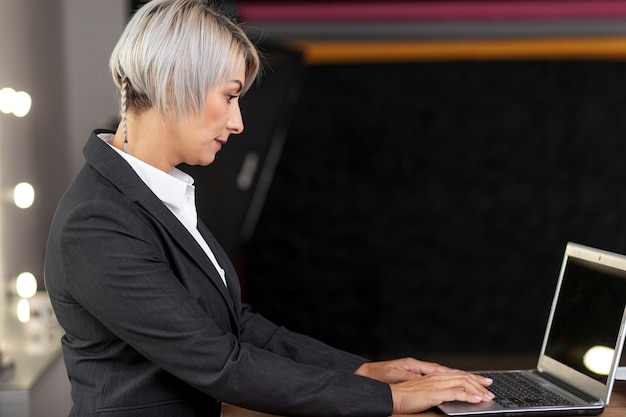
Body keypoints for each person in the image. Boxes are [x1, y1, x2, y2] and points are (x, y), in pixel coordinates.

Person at [44, 1, 494, 416]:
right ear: (173, 82)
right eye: (229, 96)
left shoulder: (158, 194)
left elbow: (235, 325)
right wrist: (386, 399)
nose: (238, 122)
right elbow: (220, 363)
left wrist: (361, 371)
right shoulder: (97, 222)